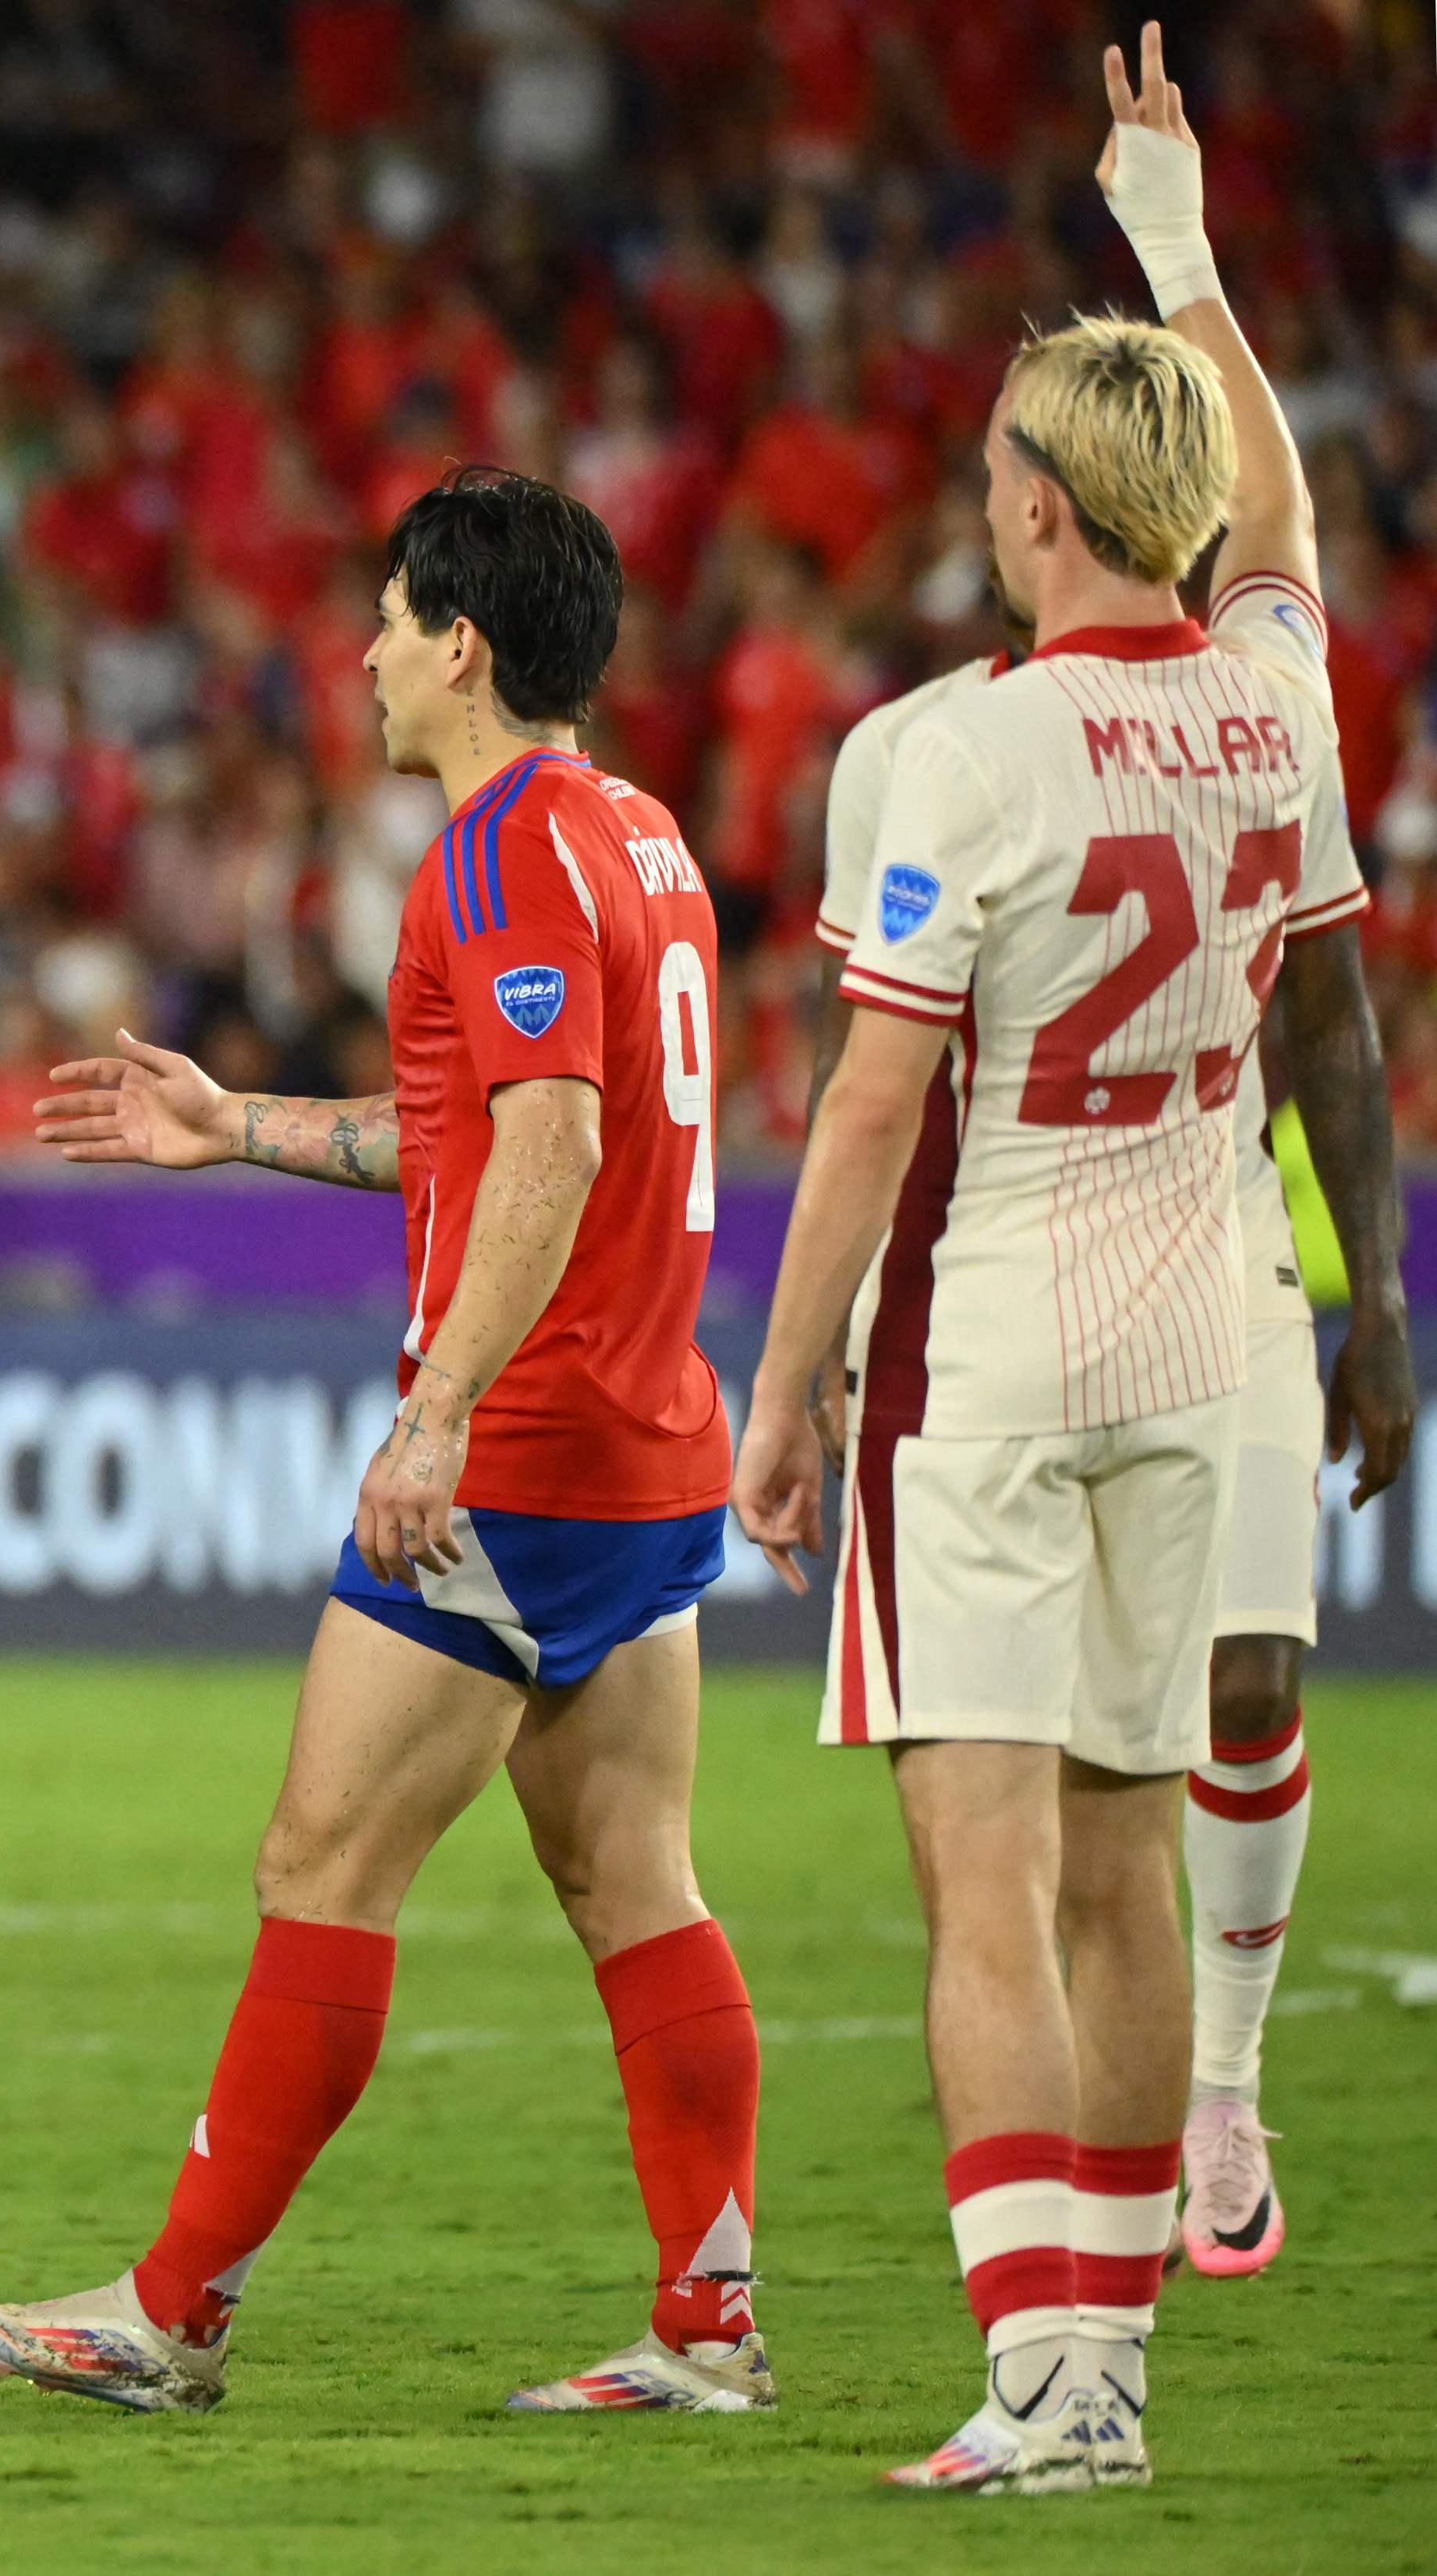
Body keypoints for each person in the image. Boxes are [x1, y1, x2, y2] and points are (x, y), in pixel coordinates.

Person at [0, 467, 769, 2420]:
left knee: (320, 1857)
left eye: (390, 619)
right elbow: (493, 1134)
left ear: (460, 644)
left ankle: (170, 2310)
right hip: (650, 1432)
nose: (366, 653)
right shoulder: (639, 835)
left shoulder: (490, 849)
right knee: (634, 1875)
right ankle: (707, 2327)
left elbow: (549, 1151)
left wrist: (435, 1407)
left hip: (528, 1443)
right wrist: (235, 1125)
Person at [732, 27, 1337, 2496]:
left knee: (978, 1880)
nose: (978, 508)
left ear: (1065, 508)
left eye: (1002, 477)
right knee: (1118, 1876)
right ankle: (1104, 2387)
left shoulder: (967, 753)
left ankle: (1038, 2379)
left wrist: (779, 1397)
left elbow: (876, 1105)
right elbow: (1277, 522)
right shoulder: (1278, 704)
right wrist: (1181, 253)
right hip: (1206, 1336)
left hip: (994, 1351)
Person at [812, 643, 1411, 2293]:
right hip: (995, 1287)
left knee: (1232, 1688)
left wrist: (1375, 1298)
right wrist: (837, 1324)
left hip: (1217, 1267)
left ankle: (1209, 2105)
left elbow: (1328, 1016)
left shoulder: (1255, 703)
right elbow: (859, 1070)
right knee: (1021, 1832)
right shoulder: (910, 745)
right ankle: (1072, 2307)